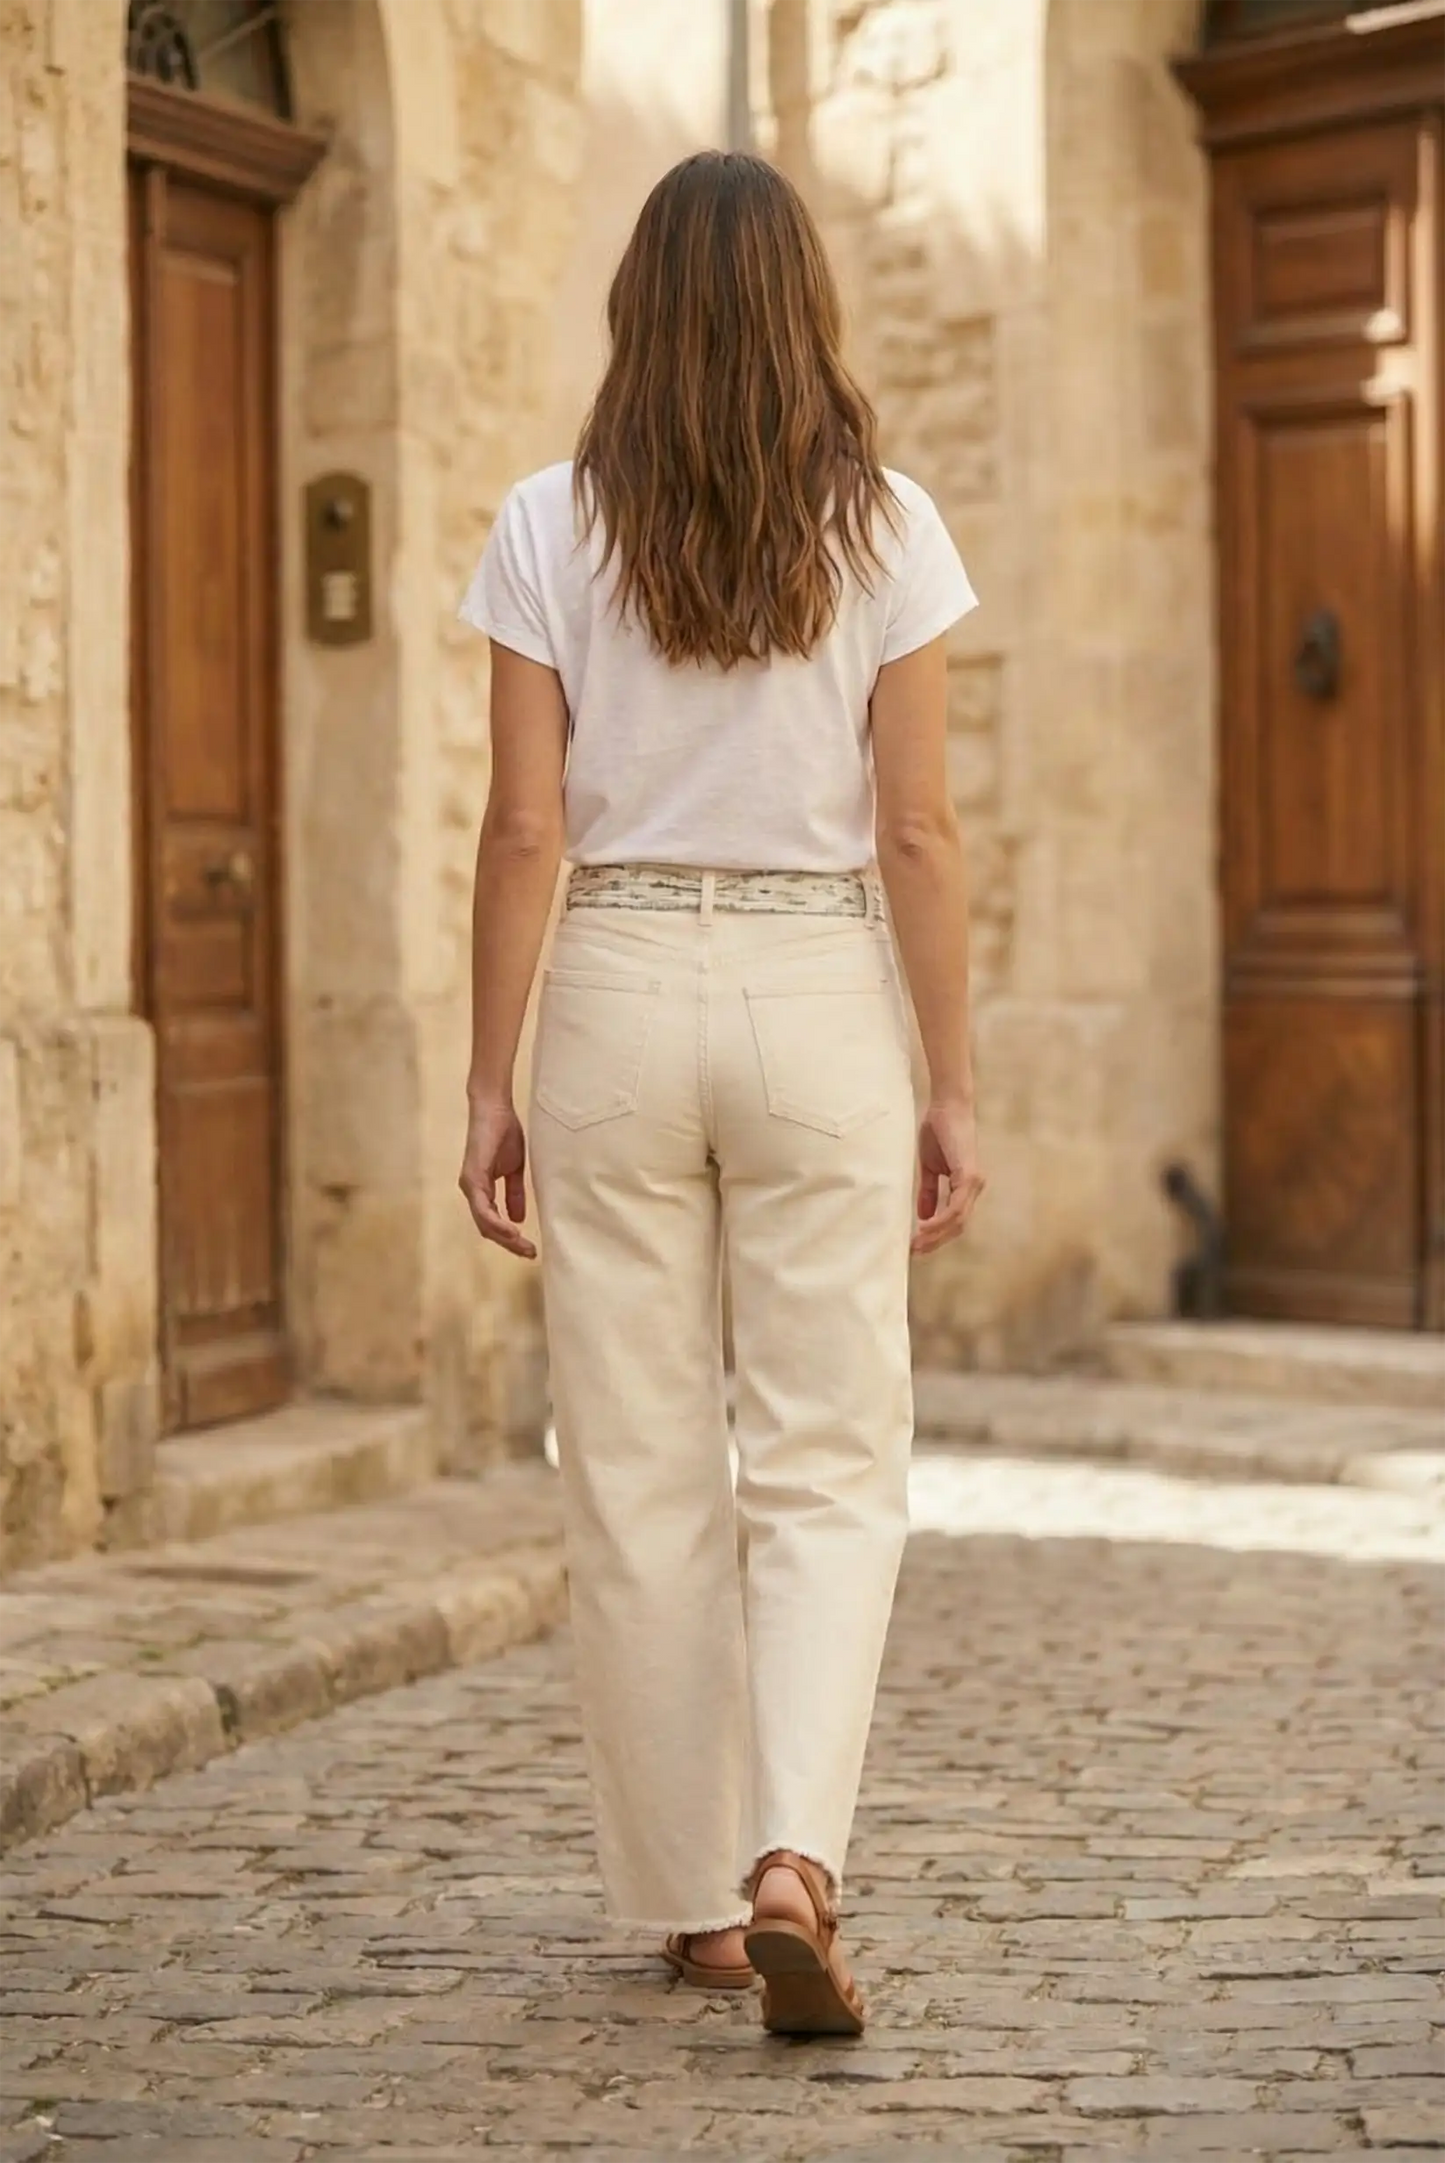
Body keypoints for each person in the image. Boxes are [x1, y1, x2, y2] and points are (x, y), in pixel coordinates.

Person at [457, 150, 983, 2039]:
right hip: (818, 987)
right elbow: (917, 829)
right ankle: (796, 1859)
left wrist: (486, 1078)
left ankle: (692, 1902)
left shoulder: (544, 523)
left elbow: (523, 826)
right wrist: (955, 1082)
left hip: (609, 986)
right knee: (833, 1450)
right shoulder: (889, 529)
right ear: (806, 314)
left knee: (639, 1465)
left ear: (638, 312)